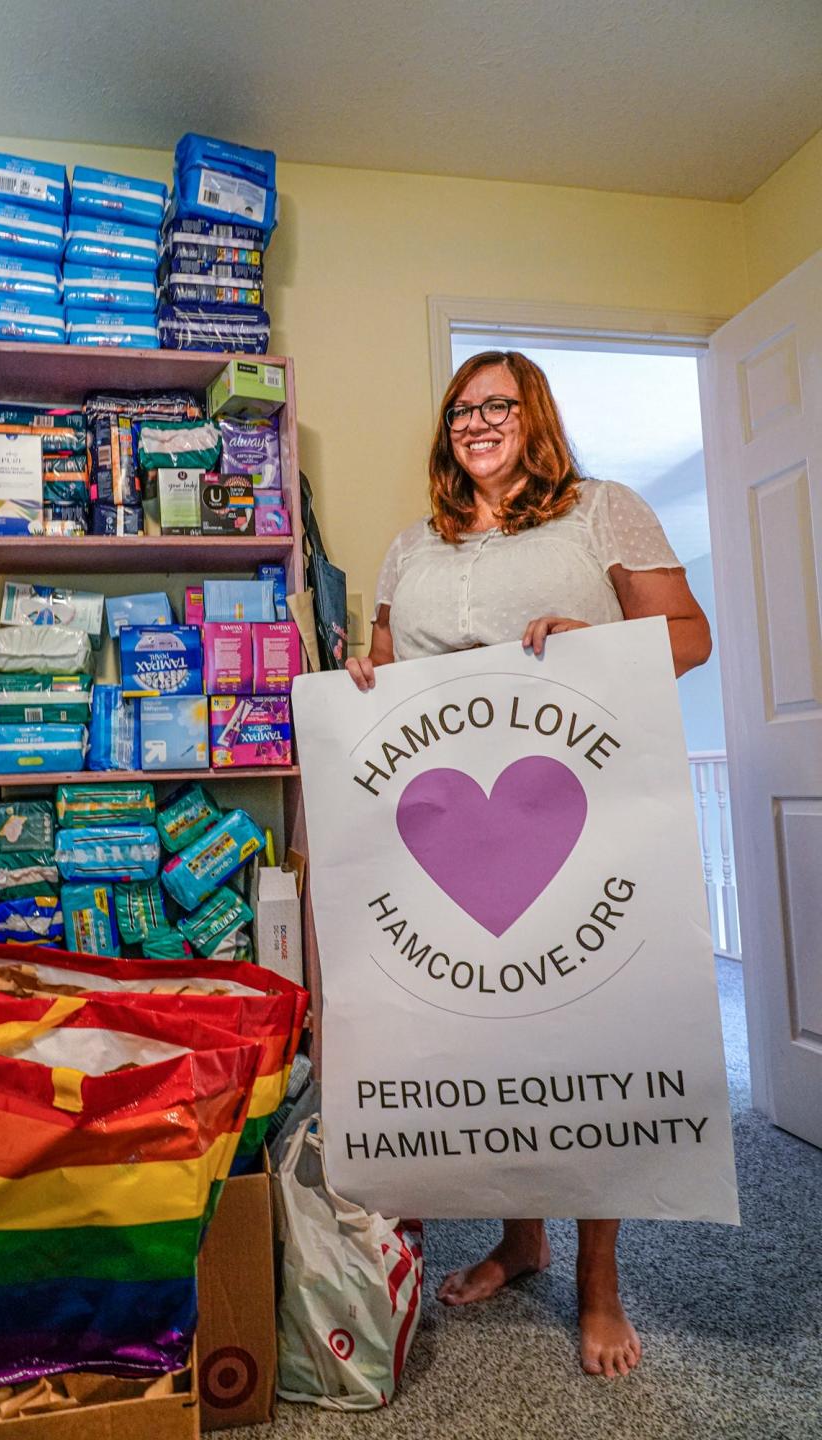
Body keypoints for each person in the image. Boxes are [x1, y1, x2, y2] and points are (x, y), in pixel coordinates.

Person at [345, 350, 712, 1379]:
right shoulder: (409, 546)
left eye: (498, 403)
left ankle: (598, 1279)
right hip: (450, 831)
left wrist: (599, 637)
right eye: (461, 408)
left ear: (534, 413)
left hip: (573, 814)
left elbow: (690, 635)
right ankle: (521, 1237)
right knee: (493, 1033)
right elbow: (383, 668)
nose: (477, 420)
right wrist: (361, 670)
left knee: (583, 1026)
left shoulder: (602, 511)